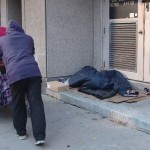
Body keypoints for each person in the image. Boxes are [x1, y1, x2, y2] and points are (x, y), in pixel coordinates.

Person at [0, 20, 46, 146]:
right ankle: (40, 136)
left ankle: (21, 133)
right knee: (36, 103)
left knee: (18, 103)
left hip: (15, 74)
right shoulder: (28, 38)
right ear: (20, 29)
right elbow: (31, 53)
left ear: (8, 31)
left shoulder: (2, 40)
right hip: (33, 73)